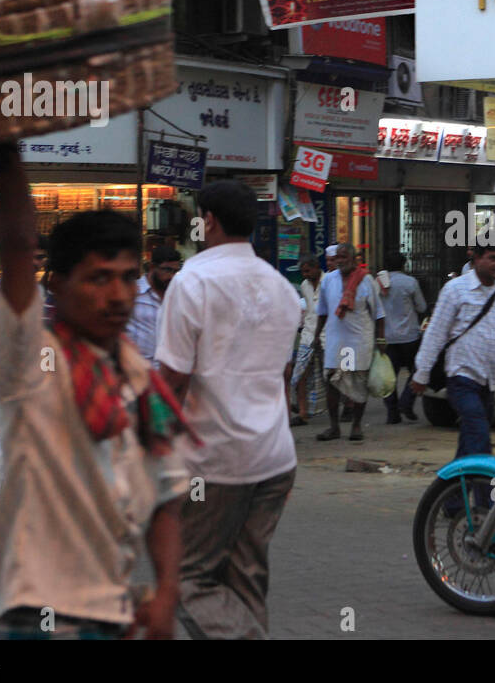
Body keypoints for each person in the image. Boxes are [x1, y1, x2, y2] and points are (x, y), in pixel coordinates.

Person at [0, 142, 190, 640]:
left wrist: (165, 592)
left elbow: (165, 492)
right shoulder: (29, 360)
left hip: (112, 612)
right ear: (55, 284)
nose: (118, 295)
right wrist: (7, 155)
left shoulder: (137, 374)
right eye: (98, 279)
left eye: (127, 278)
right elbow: (14, 251)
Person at [155, 179, 302, 640]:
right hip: (275, 457)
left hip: (214, 463)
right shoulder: (282, 288)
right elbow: (280, 376)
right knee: (245, 579)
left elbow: (172, 380)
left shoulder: (193, 280)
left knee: (185, 578)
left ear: (209, 221)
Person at [411, 243, 495, 458]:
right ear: (475, 258)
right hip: (462, 377)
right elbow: (436, 334)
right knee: (479, 435)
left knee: (470, 441)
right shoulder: (455, 289)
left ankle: (452, 489)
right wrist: (421, 374)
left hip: (490, 381)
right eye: (493, 258)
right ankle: (485, 490)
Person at [314, 242, 383, 442]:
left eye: (345, 257)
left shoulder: (366, 280)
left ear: (353, 259)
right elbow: (322, 312)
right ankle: (334, 427)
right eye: (338, 257)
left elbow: (378, 313)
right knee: (333, 383)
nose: (341, 261)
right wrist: (317, 335)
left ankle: (356, 426)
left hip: (357, 342)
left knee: (356, 384)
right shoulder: (328, 280)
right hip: (336, 342)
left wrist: (381, 338)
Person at [380, 250, 428, 423]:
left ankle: (392, 413)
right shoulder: (410, 282)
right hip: (409, 336)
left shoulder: (377, 284)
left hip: (386, 337)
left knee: (388, 376)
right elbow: (422, 307)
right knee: (417, 370)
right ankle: (406, 402)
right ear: (403, 265)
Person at [126, 246, 181, 364]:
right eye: (167, 270)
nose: (171, 276)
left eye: (175, 271)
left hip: (167, 370)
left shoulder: (177, 294)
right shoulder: (134, 292)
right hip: (137, 367)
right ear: (152, 267)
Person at [290, 255, 324, 426]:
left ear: (317, 267)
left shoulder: (329, 282)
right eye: (303, 272)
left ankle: (346, 407)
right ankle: (303, 412)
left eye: (308, 271)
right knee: (300, 373)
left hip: (328, 335)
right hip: (309, 333)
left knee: (335, 374)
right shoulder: (304, 286)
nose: (305, 275)